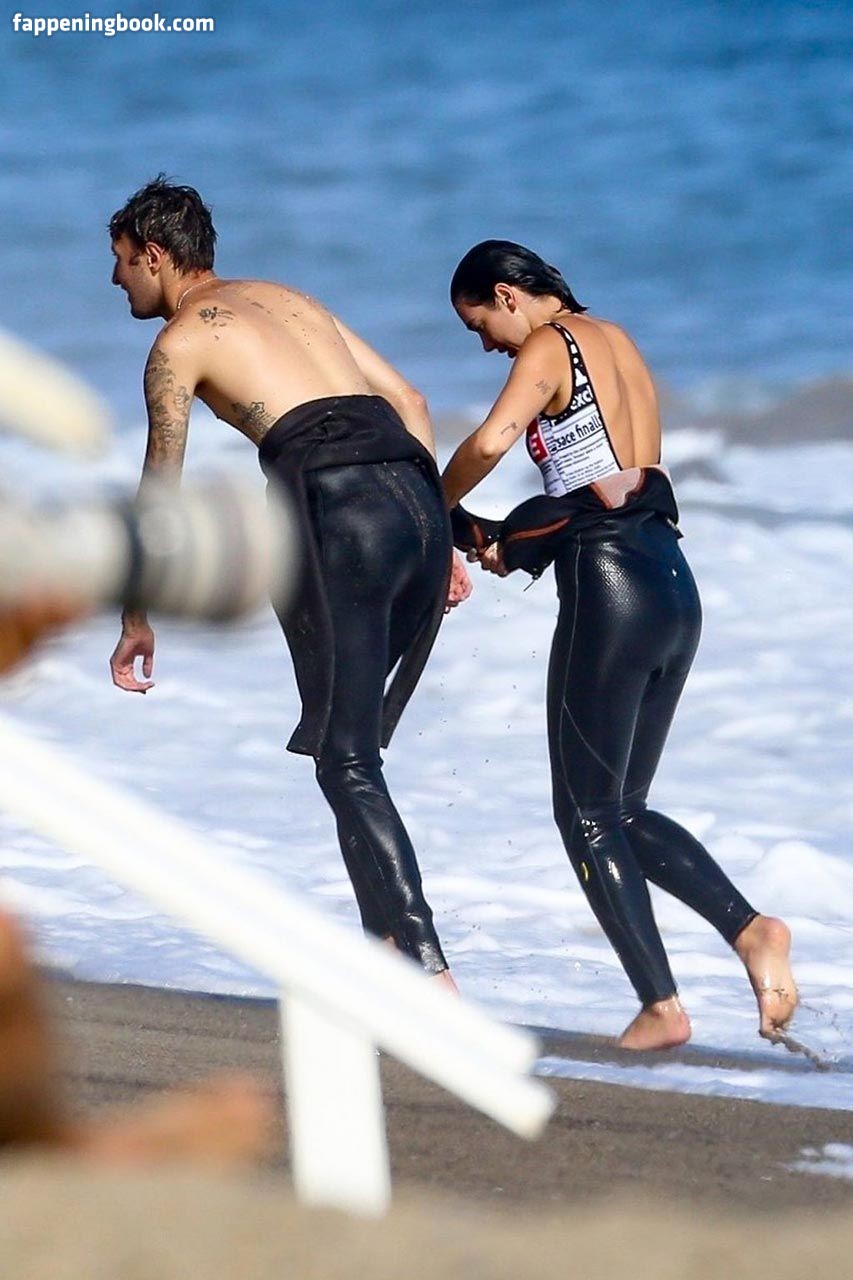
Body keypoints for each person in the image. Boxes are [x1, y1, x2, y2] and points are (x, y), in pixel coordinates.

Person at [107, 178, 470, 990]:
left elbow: (161, 492)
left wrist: (136, 615)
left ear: (155, 256)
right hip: (413, 498)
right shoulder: (289, 297)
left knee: (345, 758)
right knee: (348, 748)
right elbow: (408, 397)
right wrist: (439, 532)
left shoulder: (178, 343)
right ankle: (384, 954)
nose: (116, 279)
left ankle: (428, 974)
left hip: (336, 509)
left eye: (122, 261)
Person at [442, 239, 797, 1050]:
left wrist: (430, 501)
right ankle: (752, 932)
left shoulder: (548, 344)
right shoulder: (621, 342)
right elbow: (610, 485)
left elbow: (492, 442)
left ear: (506, 295)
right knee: (622, 808)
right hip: (671, 585)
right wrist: (505, 540)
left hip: (609, 591)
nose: (487, 346)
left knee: (584, 813)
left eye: (478, 325)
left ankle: (661, 1005)